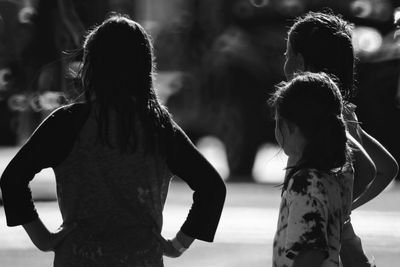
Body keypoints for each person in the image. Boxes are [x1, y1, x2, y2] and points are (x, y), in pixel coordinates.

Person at [0, 14, 226, 266]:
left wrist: (41, 238)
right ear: (144, 69)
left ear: (91, 67)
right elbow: (212, 188)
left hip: (78, 259)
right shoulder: (158, 127)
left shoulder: (67, 123)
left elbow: (13, 178)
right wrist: (178, 245)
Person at [284, 11, 398, 266]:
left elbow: (370, 170)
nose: (284, 63)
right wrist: (342, 210)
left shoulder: (321, 117)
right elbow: (387, 169)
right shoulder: (341, 112)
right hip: (339, 240)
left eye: (287, 55)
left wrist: (335, 210)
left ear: (299, 63)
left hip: (319, 243)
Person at [270, 72, 353, 267]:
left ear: (289, 127)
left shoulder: (306, 182)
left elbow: (309, 254)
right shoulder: (334, 175)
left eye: (277, 122)